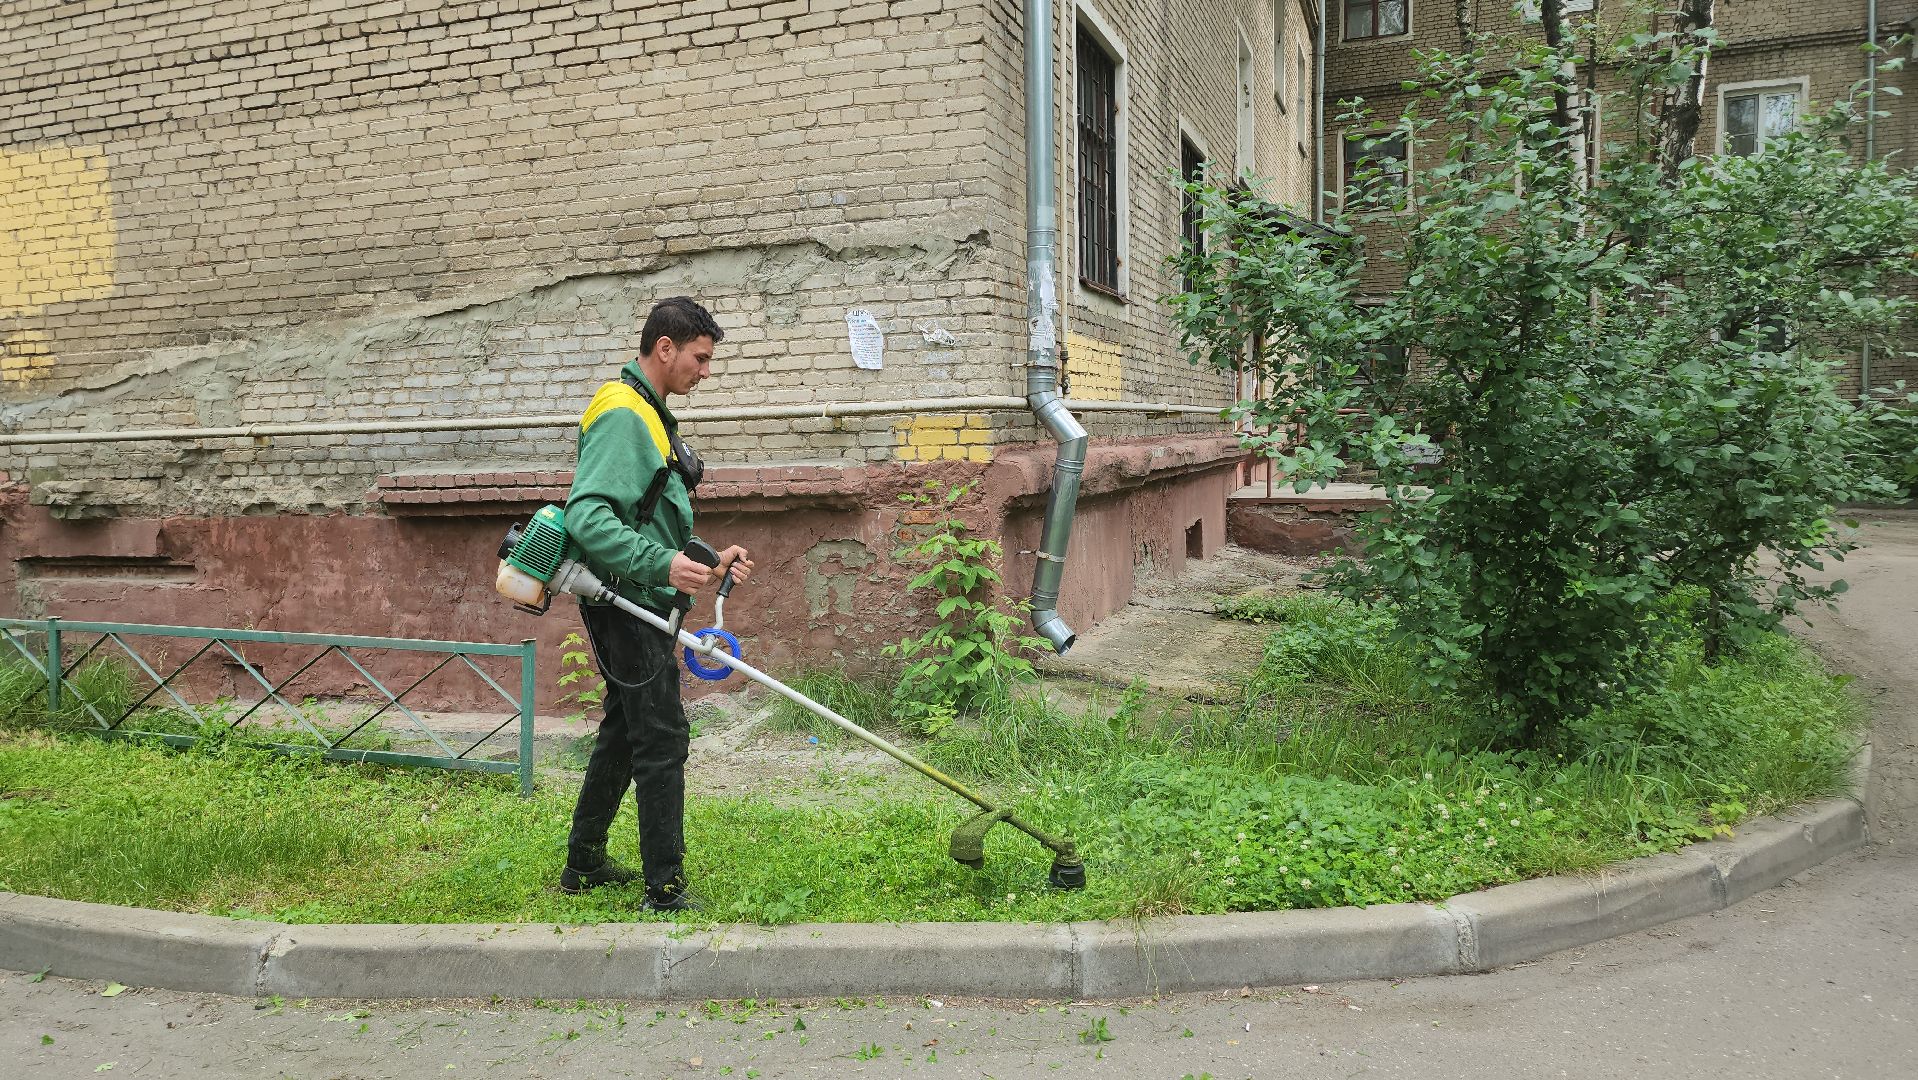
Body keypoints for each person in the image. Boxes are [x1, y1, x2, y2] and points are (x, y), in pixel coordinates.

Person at [559, 296, 753, 910]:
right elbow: (587, 517)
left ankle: (584, 863)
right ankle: (664, 888)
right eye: (700, 358)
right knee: (662, 738)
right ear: (664, 348)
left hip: (641, 593)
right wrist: (660, 565)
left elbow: (648, 518)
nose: (706, 371)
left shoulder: (649, 411)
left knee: (624, 730)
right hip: (626, 600)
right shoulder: (624, 414)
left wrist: (705, 559)